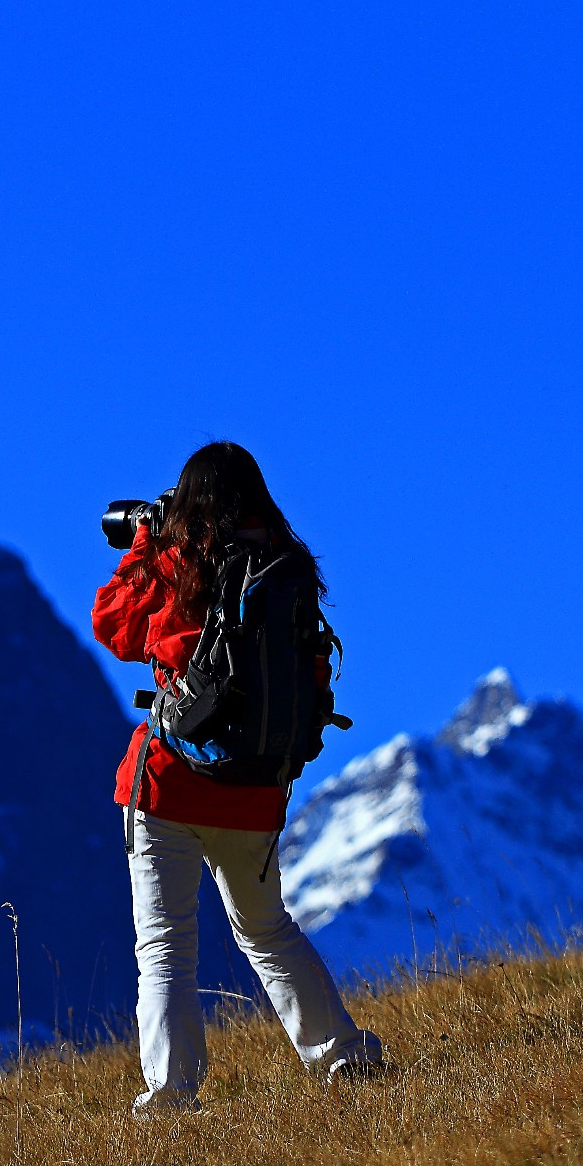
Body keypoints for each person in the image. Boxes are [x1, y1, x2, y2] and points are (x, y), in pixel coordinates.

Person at [91, 441, 383, 1116]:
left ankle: (171, 1095)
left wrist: (143, 545)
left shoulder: (176, 559)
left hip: (169, 783)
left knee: (166, 947)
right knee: (267, 930)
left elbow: (114, 624)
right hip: (255, 792)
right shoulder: (288, 566)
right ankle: (343, 1055)